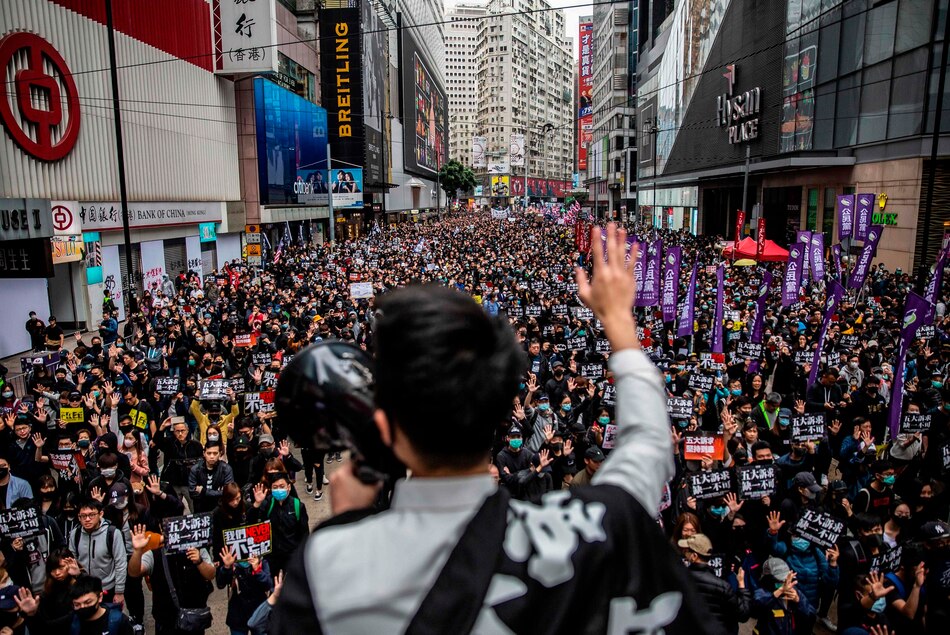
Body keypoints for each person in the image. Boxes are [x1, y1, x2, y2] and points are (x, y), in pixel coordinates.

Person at [272, 224, 708, 632]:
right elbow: (649, 446)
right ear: (502, 407)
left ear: (385, 427)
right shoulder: (596, 527)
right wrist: (618, 322)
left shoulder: (328, 570)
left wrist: (349, 525)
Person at [127, 525, 215, 635]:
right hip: (165, 623)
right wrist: (137, 551)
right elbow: (134, 572)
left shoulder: (197, 550)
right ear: (160, 527)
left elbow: (211, 574)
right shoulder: (154, 555)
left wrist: (199, 562)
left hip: (194, 622)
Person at [678, 533, 751, 634]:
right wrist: (742, 584)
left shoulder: (680, 580)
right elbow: (743, 615)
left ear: (694, 556)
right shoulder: (723, 586)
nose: (684, 553)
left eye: (687, 551)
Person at [68, 500, 127, 606]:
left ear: (100, 514)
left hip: (107, 588)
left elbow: (120, 563)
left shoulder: (112, 533)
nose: (87, 519)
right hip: (84, 588)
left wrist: (119, 592)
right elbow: (72, 559)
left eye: (91, 515)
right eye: (83, 516)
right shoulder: (75, 534)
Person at [68, 574, 134, 635]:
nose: (82, 607)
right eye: (77, 605)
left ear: (100, 597)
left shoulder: (119, 621)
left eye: (88, 602)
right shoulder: (71, 621)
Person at [188, 442, 234, 513]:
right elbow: (192, 493)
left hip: (220, 509)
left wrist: (203, 491)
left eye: (215, 453)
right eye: (209, 453)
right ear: (204, 453)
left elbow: (228, 493)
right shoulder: (195, 469)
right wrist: (218, 492)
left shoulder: (226, 469)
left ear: (220, 453)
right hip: (200, 509)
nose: (212, 456)